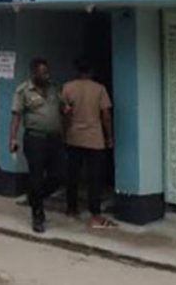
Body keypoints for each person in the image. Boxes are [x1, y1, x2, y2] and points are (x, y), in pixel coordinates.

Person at [10, 57, 65, 233]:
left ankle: (35, 196)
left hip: (54, 139)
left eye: (47, 72)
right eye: (42, 73)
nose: (46, 76)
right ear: (33, 73)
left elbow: (62, 107)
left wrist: (66, 110)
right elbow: (16, 116)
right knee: (36, 175)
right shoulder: (23, 91)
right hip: (35, 139)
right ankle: (38, 215)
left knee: (58, 176)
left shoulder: (54, 88)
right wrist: (12, 138)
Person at [62, 57, 117, 229]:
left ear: (77, 70)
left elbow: (64, 113)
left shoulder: (68, 88)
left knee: (73, 175)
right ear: (92, 71)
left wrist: (65, 133)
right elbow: (106, 116)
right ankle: (95, 215)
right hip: (94, 138)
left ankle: (71, 208)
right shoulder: (99, 89)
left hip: (74, 136)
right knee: (95, 178)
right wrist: (109, 137)